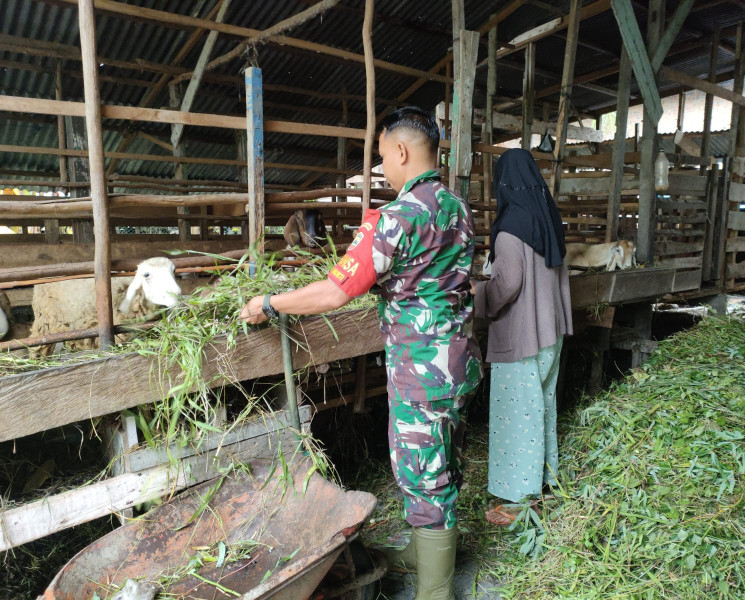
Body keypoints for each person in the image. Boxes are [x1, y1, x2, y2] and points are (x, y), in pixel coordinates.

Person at [240, 106, 482, 599]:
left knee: (422, 472)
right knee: (444, 460)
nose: (383, 170)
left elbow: (335, 291)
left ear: (400, 150)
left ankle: (436, 592)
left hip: (421, 368)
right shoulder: (456, 206)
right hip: (458, 360)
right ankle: (423, 551)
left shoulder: (398, 218)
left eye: (381, 160)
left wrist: (269, 302)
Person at [472, 148, 573, 521]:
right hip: (551, 334)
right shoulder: (548, 219)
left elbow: (508, 284)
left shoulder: (511, 228)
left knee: (518, 416)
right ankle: (545, 485)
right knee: (542, 407)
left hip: (522, 338)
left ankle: (518, 500)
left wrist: (478, 294)